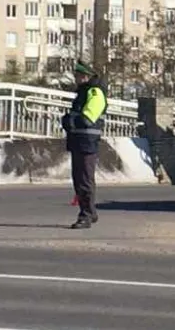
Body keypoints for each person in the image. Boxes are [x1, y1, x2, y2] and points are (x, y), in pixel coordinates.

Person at [61, 60, 108, 229]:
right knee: (79, 180)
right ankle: (89, 212)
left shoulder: (95, 92)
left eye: (78, 76)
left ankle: (86, 215)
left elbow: (88, 118)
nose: (76, 78)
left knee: (85, 181)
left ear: (86, 76)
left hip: (87, 142)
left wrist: (69, 120)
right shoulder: (83, 92)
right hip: (79, 142)